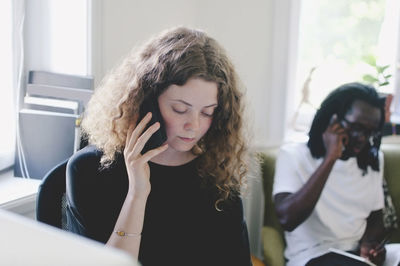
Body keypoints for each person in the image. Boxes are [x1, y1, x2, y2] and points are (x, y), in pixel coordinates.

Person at [65, 27, 252, 266]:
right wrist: (137, 194)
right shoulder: (90, 170)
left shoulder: (218, 175)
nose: (193, 126)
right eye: (180, 109)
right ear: (147, 102)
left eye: (207, 112)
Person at [273, 83, 400, 266]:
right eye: (356, 127)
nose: (362, 138)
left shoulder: (371, 159)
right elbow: (287, 219)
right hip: (312, 256)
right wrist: (331, 157)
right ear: (332, 120)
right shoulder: (293, 156)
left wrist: (369, 244)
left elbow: (375, 216)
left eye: (370, 132)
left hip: (357, 255)